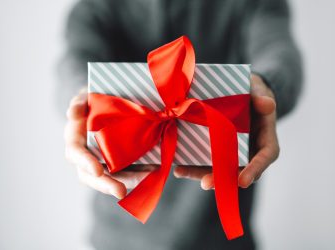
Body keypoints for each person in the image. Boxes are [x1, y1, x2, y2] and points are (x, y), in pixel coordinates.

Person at [59, 0, 302, 249]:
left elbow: (279, 53)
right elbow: (74, 62)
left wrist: (267, 88)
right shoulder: (98, 7)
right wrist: (80, 100)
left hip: (220, 239)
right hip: (117, 238)